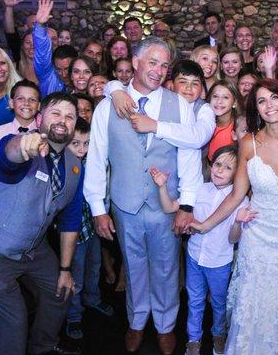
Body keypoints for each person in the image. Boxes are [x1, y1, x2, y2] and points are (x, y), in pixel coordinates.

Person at [84, 36, 202, 355]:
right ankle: (137, 321)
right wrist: (98, 208)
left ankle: (165, 325)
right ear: (135, 62)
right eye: (153, 62)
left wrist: (186, 205)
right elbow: (97, 159)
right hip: (125, 203)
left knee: (166, 267)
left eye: (164, 65)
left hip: (165, 204)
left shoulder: (179, 104)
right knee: (133, 266)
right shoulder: (108, 106)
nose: (159, 70)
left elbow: (188, 157)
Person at [190, 78, 278, 355]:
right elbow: (236, 195)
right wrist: (204, 224)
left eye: (274, 98)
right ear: (256, 109)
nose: (269, 105)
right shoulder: (249, 145)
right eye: (261, 101)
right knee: (255, 300)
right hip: (257, 236)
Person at [0, 92, 84, 355]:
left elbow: (70, 218)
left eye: (70, 117)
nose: (63, 120)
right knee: (13, 322)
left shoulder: (74, 165)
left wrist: (65, 268)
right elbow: (7, 155)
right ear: (39, 118)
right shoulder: (18, 143)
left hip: (30, 247)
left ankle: (44, 347)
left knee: (62, 290)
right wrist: (24, 145)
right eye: (56, 113)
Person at [151, 145, 251, 355]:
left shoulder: (241, 200)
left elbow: (234, 239)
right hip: (195, 257)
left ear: (238, 174)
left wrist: (237, 223)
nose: (219, 170)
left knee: (219, 302)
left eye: (227, 167)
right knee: (195, 300)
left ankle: (219, 335)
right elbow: (170, 208)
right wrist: (161, 187)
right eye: (217, 164)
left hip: (220, 262)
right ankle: (193, 340)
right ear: (211, 165)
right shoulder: (199, 189)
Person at [65, 117, 113, 340]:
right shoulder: (63, 165)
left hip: (90, 228)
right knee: (76, 274)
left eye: (87, 143)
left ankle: (92, 299)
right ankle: (73, 315)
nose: (82, 149)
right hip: (73, 232)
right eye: (76, 143)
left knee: (94, 266)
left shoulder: (89, 163)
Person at [0, 79, 40, 168]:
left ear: (39, 106)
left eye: (32, 100)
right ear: (11, 103)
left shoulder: (43, 134)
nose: (26, 103)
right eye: (20, 98)